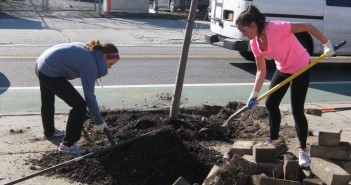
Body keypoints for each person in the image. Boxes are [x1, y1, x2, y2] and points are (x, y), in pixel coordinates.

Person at [235, 5, 335, 168]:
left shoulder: (275, 27)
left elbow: (307, 26)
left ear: (253, 25)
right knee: (271, 103)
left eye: (244, 30)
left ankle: (303, 150)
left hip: (301, 66)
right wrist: (254, 94)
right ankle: (273, 140)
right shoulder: (254, 43)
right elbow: (261, 70)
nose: (243, 34)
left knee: (297, 110)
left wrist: (326, 44)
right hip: (283, 69)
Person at [35, 40, 120, 155]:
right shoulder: (90, 64)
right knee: (79, 106)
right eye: (110, 64)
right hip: (50, 71)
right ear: (104, 56)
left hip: (41, 64)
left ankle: (49, 132)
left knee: (47, 101)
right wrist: (99, 121)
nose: (109, 68)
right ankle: (67, 145)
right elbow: (89, 96)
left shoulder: (91, 51)